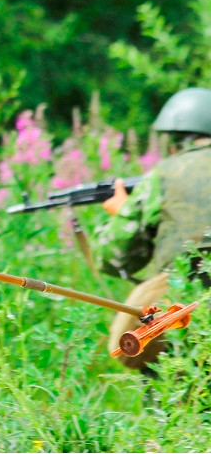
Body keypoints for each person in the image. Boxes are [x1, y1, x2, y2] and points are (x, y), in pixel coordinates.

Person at [97, 87, 211, 371]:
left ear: (176, 143)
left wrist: (123, 211)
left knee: (162, 381)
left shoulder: (164, 175)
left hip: (185, 313)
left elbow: (114, 258)